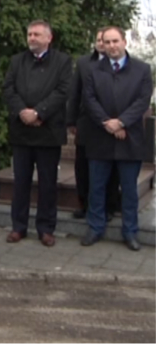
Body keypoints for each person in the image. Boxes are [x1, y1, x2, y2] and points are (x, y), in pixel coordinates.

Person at [81, 26, 153, 251]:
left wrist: (121, 122)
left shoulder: (141, 70)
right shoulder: (94, 70)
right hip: (100, 138)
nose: (111, 46)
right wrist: (108, 123)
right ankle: (95, 228)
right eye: (107, 42)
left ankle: (130, 232)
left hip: (129, 140)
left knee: (129, 190)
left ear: (124, 42)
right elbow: (89, 100)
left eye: (115, 41)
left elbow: (142, 101)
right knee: (97, 187)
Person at [3, 20, 72, 247]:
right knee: (21, 182)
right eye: (30, 34)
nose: (32, 38)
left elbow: (62, 91)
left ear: (49, 38)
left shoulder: (62, 61)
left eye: (37, 35)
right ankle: (18, 227)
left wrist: (39, 113)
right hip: (21, 131)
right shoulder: (16, 61)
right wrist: (22, 111)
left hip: (48, 131)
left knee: (47, 183)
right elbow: (9, 89)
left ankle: (46, 228)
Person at [67, 28, 121, 221]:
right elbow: (75, 93)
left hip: (110, 123)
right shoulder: (83, 63)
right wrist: (71, 120)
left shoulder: (117, 64)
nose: (101, 43)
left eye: (103, 40)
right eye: (98, 39)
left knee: (110, 167)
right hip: (86, 123)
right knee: (82, 166)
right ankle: (84, 204)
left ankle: (109, 206)